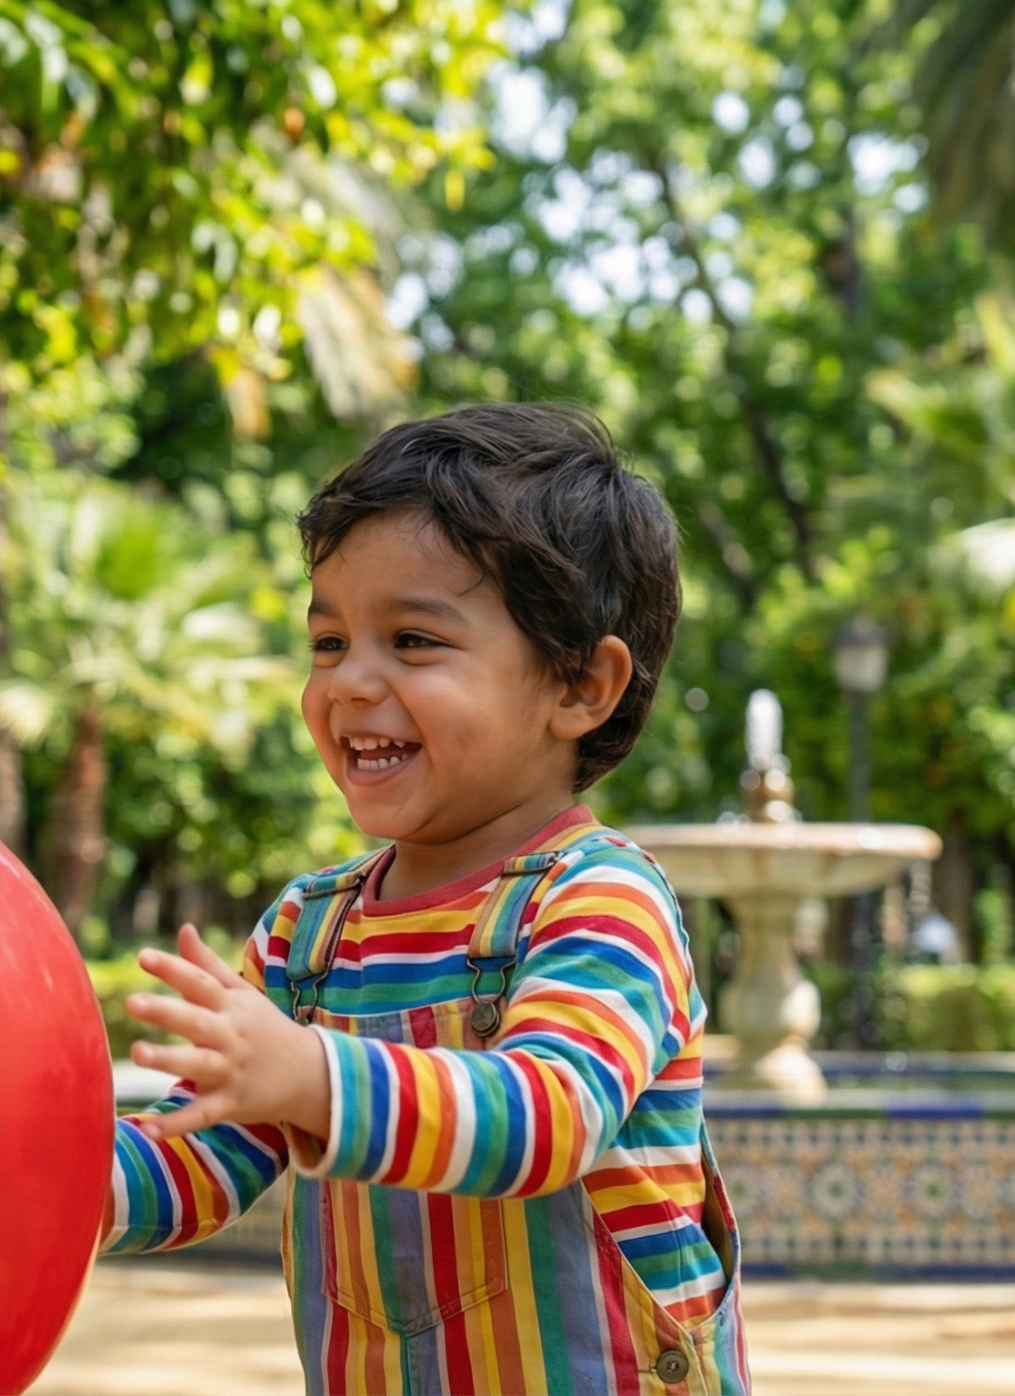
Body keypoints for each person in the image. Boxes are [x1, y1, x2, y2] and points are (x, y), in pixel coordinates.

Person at [105, 403, 747, 1395]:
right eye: (328, 642)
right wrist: (51, 1180)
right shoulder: (308, 936)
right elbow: (196, 1160)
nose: (348, 682)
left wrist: (315, 1076)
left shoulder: (598, 898)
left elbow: (549, 1115)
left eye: (410, 639)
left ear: (580, 685)